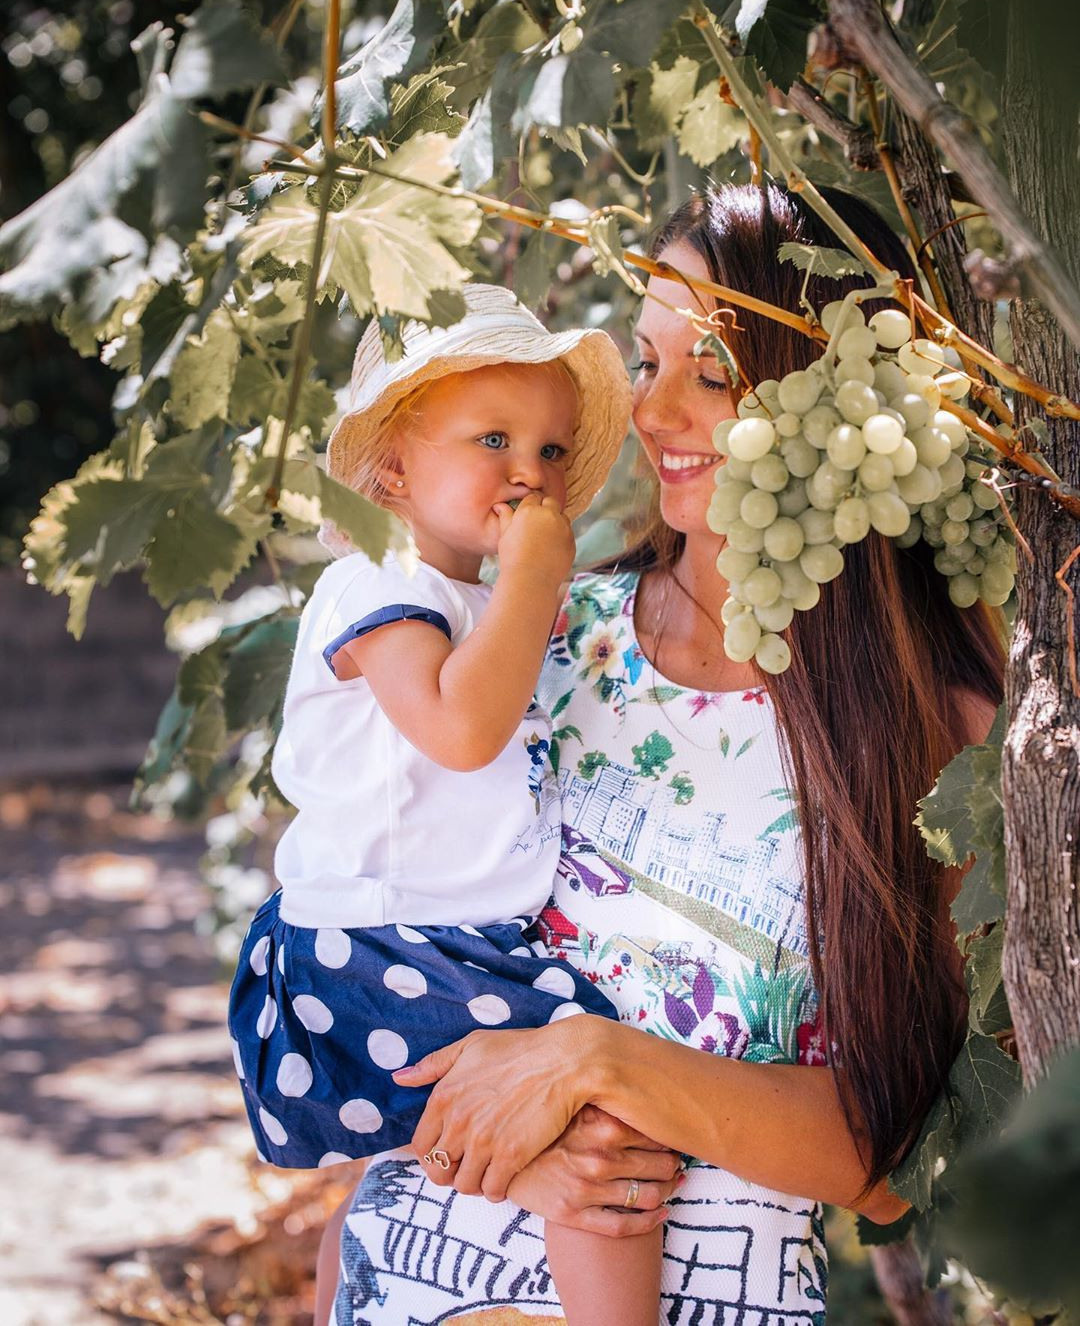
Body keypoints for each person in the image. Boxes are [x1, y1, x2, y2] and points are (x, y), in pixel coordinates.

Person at [323, 183, 1005, 1326]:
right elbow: (348, 954)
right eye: (648, 361)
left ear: (837, 404)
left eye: (718, 373)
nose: (654, 412)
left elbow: (896, 1167)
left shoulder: (944, 734)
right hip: (414, 1279)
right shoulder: (522, 649)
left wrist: (605, 1065)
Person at [228, 283, 677, 1326]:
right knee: (606, 1116)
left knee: (447, 1145)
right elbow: (462, 727)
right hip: (378, 943)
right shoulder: (374, 584)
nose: (530, 472)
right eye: (493, 438)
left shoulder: (469, 598)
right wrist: (535, 579)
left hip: (431, 939)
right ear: (393, 466)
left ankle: (360, 1295)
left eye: (554, 452)